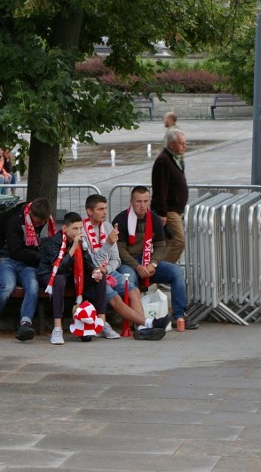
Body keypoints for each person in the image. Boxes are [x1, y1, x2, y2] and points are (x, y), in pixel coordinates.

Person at [82, 194, 171, 340]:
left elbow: (116, 259)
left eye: (105, 208)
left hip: (109, 271)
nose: (105, 212)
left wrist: (108, 269)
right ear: (89, 211)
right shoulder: (83, 231)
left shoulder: (108, 227)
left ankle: (141, 328)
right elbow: (92, 264)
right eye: (100, 209)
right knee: (116, 298)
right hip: (93, 276)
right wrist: (108, 245)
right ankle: (148, 323)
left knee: (133, 290)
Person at [113, 186, 198, 332]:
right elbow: (120, 250)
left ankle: (179, 315)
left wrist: (153, 263)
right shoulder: (121, 219)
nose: (142, 205)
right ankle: (137, 320)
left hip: (147, 261)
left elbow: (160, 246)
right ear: (131, 202)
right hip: (128, 262)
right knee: (130, 280)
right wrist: (137, 266)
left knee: (176, 272)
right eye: (138, 201)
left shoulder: (154, 219)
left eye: (146, 201)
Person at [0, 198, 54, 342]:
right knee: (7, 287)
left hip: (29, 263)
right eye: (38, 222)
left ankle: (25, 323)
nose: (40, 225)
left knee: (32, 286)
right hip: (7, 259)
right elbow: (15, 251)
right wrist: (40, 258)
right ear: (30, 213)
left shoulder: (45, 220)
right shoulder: (14, 220)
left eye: (43, 222)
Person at [37, 212, 106, 345]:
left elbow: (87, 262)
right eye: (75, 228)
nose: (78, 232)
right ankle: (57, 329)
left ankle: (102, 322)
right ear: (64, 228)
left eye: (80, 228)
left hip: (72, 276)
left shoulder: (81, 241)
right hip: (49, 275)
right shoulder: (56, 241)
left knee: (101, 277)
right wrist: (74, 248)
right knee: (60, 279)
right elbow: (58, 268)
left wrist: (95, 270)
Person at [151, 127, 189, 264]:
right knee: (178, 242)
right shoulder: (164, 161)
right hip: (169, 210)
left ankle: (161, 275)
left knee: (167, 244)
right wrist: (161, 213)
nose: (185, 146)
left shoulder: (174, 158)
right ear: (172, 144)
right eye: (181, 143)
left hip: (175, 210)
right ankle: (162, 273)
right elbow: (160, 188)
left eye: (185, 143)